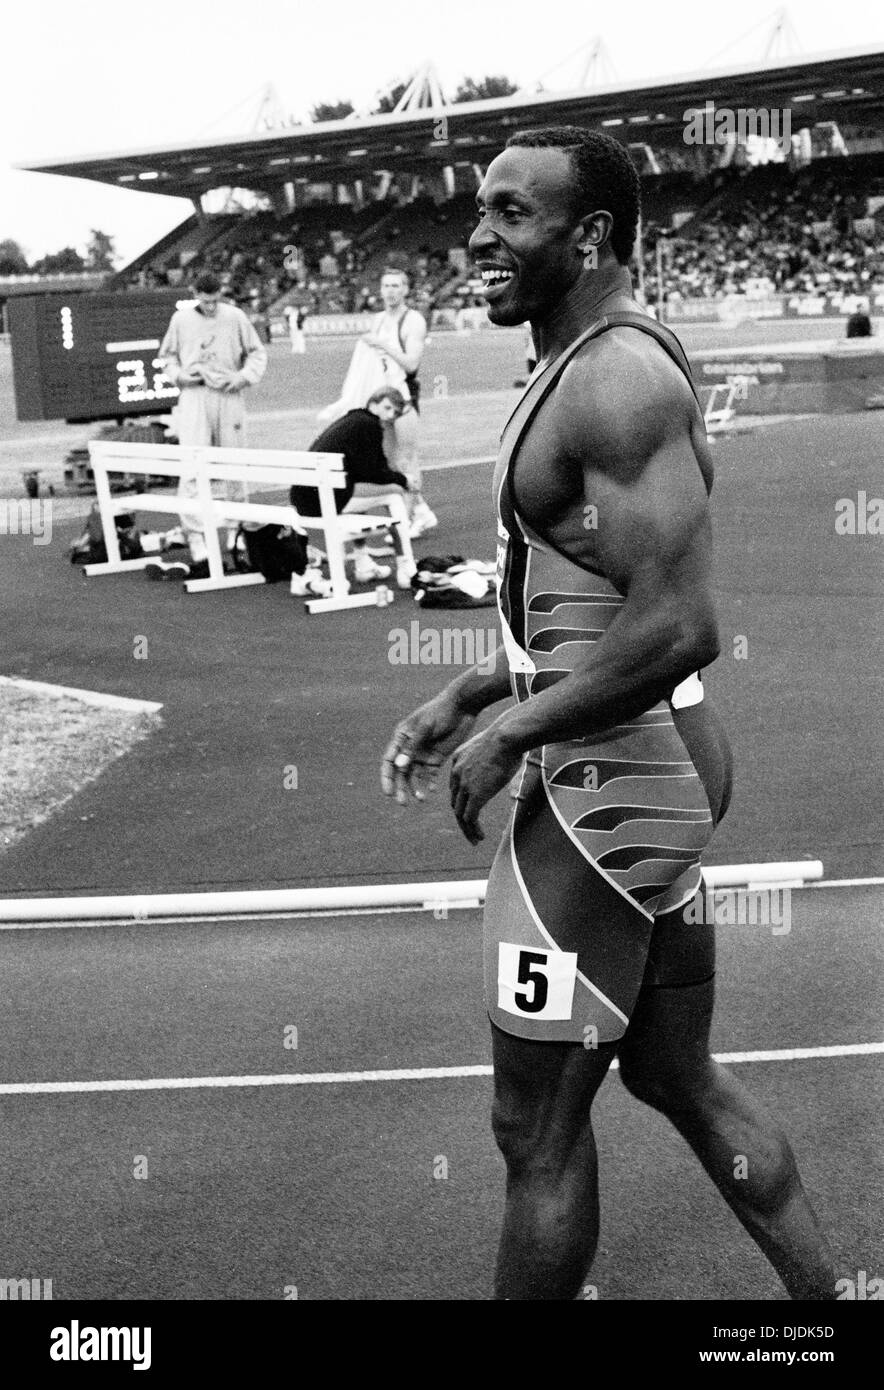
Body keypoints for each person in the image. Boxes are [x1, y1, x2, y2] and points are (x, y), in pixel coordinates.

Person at [381, 126, 835, 1301]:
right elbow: (585, 605)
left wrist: (511, 732)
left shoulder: (617, 378)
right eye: (477, 209)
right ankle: (824, 1304)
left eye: (509, 213)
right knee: (676, 1076)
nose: (477, 234)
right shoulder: (578, 360)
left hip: (607, 795)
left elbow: (679, 625)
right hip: (643, 770)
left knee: (530, 1130)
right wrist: (469, 688)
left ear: (587, 236)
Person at [150, 271, 267, 579]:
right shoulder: (181, 320)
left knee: (233, 465)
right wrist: (178, 376)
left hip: (228, 394)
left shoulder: (235, 316)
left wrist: (242, 377)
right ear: (196, 295)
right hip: (195, 395)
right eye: (206, 301)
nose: (211, 307)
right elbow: (166, 357)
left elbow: (257, 353)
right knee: (192, 467)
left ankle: (235, 534)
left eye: (215, 300)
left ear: (221, 295)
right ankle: (197, 539)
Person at [291, 387, 415, 587]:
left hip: (305, 498)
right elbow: (373, 472)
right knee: (394, 495)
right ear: (373, 404)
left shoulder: (350, 420)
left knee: (365, 493)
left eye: (395, 413)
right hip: (323, 500)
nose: (390, 415)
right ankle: (407, 567)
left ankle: (363, 562)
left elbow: (366, 471)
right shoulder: (369, 425)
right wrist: (403, 480)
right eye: (387, 407)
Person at [361, 267, 437, 539]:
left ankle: (406, 519)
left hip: (403, 397)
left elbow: (412, 363)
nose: (390, 291)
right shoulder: (378, 320)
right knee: (391, 462)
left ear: (405, 290)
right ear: (380, 290)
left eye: (396, 285)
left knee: (407, 460)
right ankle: (421, 511)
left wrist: (384, 345)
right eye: (386, 286)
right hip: (383, 399)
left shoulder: (413, 320)